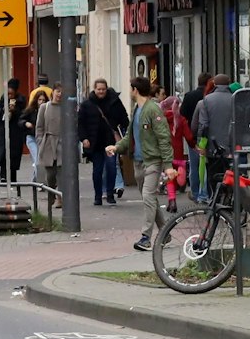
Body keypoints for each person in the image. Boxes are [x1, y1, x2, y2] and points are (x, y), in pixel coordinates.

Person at [128, 77, 173, 251]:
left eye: (131, 89)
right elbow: (130, 134)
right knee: (150, 199)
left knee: (148, 196)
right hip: (139, 161)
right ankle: (165, 233)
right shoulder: (137, 109)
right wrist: (117, 148)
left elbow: (164, 137)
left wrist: (168, 165)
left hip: (153, 161)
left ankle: (146, 237)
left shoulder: (153, 109)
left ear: (135, 90)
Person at [77, 79, 130, 205]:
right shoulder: (87, 104)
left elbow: (124, 118)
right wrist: (84, 138)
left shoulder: (114, 102)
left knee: (111, 167)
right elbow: (80, 123)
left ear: (107, 89)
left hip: (110, 141)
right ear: (94, 89)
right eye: (99, 89)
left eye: (103, 89)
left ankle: (110, 194)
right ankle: (98, 196)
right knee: (97, 170)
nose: (101, 91)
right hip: (94, 142)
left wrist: (124, 131)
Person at [192, 79, 237, 189]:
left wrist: (201, 144)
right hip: (232, 146)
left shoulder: (207, 100)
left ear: (215, 84)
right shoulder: (235, 98)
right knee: (231, 176)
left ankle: (215, 199)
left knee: (213, 176)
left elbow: (203, 125)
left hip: (213, 147)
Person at [179, 72, 213, 199]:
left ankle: (195, 192)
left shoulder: (189, 96)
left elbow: (183, 116)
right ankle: (205, 193)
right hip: (206, 135)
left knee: (194, 166)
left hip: (192, 136)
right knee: (205, 166)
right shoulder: (209, 97)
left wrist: (188, 135)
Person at [0, 78, 28, 183]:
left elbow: (23, 115)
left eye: (11, 94)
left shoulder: (21, 101)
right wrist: (3, 109)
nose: (9, 96)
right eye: (8, 93)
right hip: (3, 132)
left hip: (15, 133)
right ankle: (3, 177)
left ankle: (13, 178)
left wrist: (14, 110)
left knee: (13, 156)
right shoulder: (3, 100)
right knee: (3, 155)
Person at [34, 83, 67, 194]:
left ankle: (60, 197)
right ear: (53, 92)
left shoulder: (66, 108)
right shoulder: (45, 107)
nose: (60, 94)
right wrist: (40, 141)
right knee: (50, 174)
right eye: (58, 91)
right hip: (48, 143)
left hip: (62, 143)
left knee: (62, 172)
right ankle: (51, 194)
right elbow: (39, 126)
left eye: (62, 92)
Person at [23, 75, 53, 173]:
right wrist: (26, 123)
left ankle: (35, 182)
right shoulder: (51, 91)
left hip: (44, 138)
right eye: (39, 100)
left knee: (40, 161)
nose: (41, 102)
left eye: (43, 100)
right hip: (32, 136)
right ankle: (38, 182)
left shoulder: (33, 92)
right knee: (37, 161)